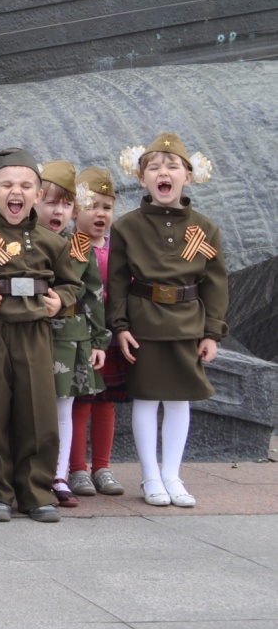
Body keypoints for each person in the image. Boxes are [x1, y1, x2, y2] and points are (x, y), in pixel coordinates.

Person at [0, 148, 83, 524]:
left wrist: (63, 301)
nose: (17, 192)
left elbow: (72, 284)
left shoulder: (52, 242)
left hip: (36, 332)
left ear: (37, 194)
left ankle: (36, 491)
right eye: (6, 184)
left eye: (26, 185)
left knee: (38, 412)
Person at [108, 134, 227, 508]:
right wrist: (121, 326)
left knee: (179, 401)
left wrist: (212, 332)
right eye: (154, 167)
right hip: (144, 324)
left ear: (187, 177)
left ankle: (173, 474)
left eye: (173, 166)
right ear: (142, 178)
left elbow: (215, 281)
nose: (164, 173)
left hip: (188, 324)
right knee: (145, 398)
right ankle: (150, 476)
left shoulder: (203, 229)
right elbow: (116, 281)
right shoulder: (127, 226)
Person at [35, 161, 108, 509]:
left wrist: (97, 341)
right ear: (35, 201)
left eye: (65, 205)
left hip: (70, 338)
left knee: (64, 409)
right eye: (50, 202)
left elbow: (93, 295)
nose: (58, 210)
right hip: (33, 335)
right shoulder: (25, 241)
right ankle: (30, 471)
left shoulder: (80, 246)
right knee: (31, 407)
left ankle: (59, 474)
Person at [68, 167, 126, 497]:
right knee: (81, 402)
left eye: (107, 206)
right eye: (92, 205)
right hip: (79, 335)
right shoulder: (70, 246)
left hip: (110, 336)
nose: (100, 213)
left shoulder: (119, 249)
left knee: (106, 403)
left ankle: (101, 466)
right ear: (76, 210)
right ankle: (77, 469)